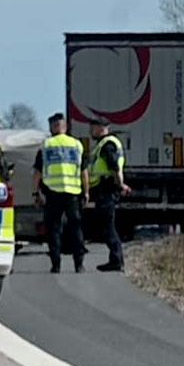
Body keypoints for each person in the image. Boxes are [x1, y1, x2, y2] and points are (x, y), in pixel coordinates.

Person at [32, 113, 87, 274]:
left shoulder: (46, 145)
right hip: (73, 193)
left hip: (53, 193)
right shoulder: (76, 145)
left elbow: (37, 173)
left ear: (52, 127)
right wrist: (86, 192)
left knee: (54, 230)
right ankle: (79, 264)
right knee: (76, 229)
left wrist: (35, 193)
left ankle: (56, 265)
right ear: (65, 127)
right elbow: (84, 172)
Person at [88, 119, 131, 271]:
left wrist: (120, 184)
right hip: (104, 189)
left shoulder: (108, 145)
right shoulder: (103, 144)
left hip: (107, 189)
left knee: (108, 226)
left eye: (93, 128)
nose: (90, 131)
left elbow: (114, 166)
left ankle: (116, 260)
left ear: (101, 128)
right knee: (106, 225)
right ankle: (115, 259)